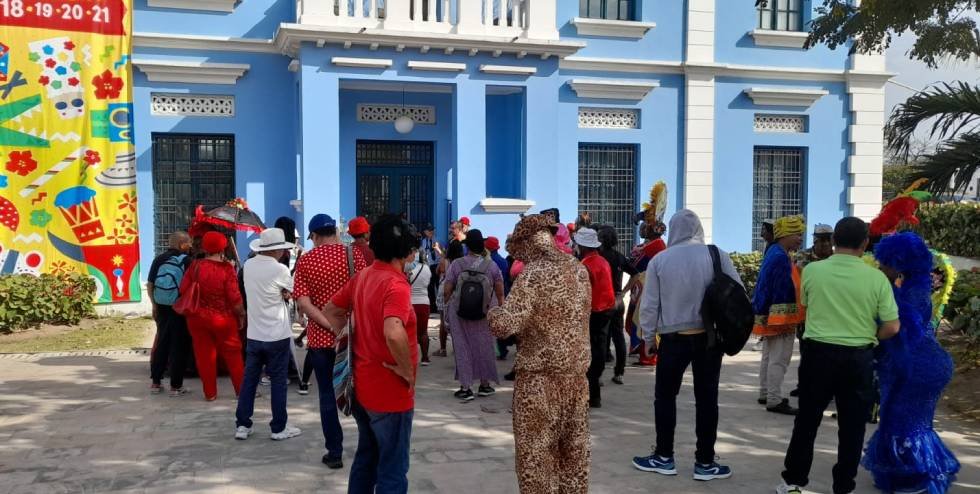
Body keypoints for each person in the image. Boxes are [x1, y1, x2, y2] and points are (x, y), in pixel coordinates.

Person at [777, 217, 901, 494]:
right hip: (859, 358)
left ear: (833, 242)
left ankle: (793, 482)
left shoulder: (812, 271)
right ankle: (843, 486)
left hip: (817, 355)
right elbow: (892, 326)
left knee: (807, 421)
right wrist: (869, 335)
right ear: (865, 243)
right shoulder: (877, 278)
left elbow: (806, 307)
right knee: (853, 426)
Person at [632, 209, 741, 482]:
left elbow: (650, 305)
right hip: (710, 339)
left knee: (665, 397)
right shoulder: (717, 255)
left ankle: (664, 457)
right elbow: (737, 293)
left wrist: (647, 340)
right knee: (707, 400)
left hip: (672, 339)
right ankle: (705, 462)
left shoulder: (660, 260)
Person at [488, 214, 592, 494]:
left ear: (528, 243)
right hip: (577, 379)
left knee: (536, 459)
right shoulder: (579, 269)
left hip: (540, 382)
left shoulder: (533, 275)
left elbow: (505, 325)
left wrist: (493, 311)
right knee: (574, 457)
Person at [322, 214, 420, 494]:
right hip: (390, 392)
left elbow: (331, 311)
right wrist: (405, 368)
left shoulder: (363, 276)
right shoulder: (397, 285)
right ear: (407, 252)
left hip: (362, 385)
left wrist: (351, 337)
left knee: (367, 456)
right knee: (393, 467)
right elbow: (393, 331)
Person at [862, 232, 960, 493]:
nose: (880, 266)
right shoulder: (913, 286)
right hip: (920, 363)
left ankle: (917, 478)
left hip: (918, 367)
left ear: (898, 261)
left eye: (884, 262)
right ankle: (907, 476)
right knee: (906, 421)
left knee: (904, 422)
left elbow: (901, 328)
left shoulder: (911, 292)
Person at [293, 214, 367, 468]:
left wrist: (328, 325)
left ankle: (334, 453)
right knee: (360, 392)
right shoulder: (352, 255)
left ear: (313, 236)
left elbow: (303, 303)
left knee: (326, 395)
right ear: (335, 230)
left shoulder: (306, 261)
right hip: (352, 335)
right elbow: (362, 294)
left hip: (321, 340)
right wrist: (343, 328)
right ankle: (368, 446)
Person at [235, 228, 302, 441]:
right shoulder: (280, 269)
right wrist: (284, 293)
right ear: (278, 250)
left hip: (254, 334)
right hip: (277, 334)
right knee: (278, 382)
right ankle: (278, 427)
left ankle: (243, 425)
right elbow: (292, 293)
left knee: (249, 381)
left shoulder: (248, 266)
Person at [179, 231, 246, 401]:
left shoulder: (194, 266)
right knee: (233, 354)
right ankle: (241, 391)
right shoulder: (227, 268)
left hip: (197, 318)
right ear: (223, 247)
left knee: (204, 355)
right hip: (222, 318)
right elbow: (234, 297)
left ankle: (210, 393)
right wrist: (242, 314)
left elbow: (183, 289)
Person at [443, 230, 505, 401]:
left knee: (463, 348)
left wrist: (447, 308)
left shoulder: (457, 264)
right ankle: (485, 385)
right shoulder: (491, 266)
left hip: (460, 312)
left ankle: (466, 387)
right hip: (485, 313)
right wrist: (501, 309)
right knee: (485, 346)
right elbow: (500, 292)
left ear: (467, 246)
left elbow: (447, 290)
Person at [753, 215, 806, 415]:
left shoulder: (775, 252)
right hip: (779, 317)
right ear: (785, 234)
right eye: (797, 234)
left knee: (769, 355)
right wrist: (785, 320)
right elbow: (782, 290)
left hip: (768, 314)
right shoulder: (780, 257)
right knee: (779, 358)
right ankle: (774, 399)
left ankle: (766, 392)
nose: (800, 239)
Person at [148, 231, 193, 396]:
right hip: (179, 308)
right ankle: (176, 386)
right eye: (188, 242)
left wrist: (154, 305)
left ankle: (155, 383)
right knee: (179, 346)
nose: (191, 245)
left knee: (162, 342)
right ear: (181, 244)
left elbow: (150, 283)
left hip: (162, 306)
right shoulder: (187, 261)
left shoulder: (158, 259)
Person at [574, 227, 616, 408]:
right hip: (607, 308)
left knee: (587, 352)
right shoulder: (602, 261)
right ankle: (594, 388)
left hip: (592, 311)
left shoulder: (585, 265)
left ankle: (592, 392)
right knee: (599, 348)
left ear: (582, 246)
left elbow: (581, 293)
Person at [597, 225, 639, 385]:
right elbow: (635, 273)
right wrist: (623, 292)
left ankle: (598, 374)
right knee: (619, 337)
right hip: (617, 300)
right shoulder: (619, 257)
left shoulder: (598, 257)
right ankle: (619, 372)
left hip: (602, 301)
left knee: (600, 339)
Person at [626, 221, 667, 366]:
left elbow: (636, 264)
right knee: (640, 319)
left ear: (651, 231)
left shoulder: (654, 246)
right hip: (644, 284)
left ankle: (647, 356)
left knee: (643, 319)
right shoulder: (657, 244)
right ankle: (643, 352)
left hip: (647, 285)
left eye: (645, 228)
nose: (642, 231)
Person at [434, 239, 464, 357]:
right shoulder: (462, 262)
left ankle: (443, 349)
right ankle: (458, 349)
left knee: (443, 322)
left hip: (444, 290)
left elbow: (438, 271)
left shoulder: (445, 261)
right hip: (458, 291)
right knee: (458, 322)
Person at [486, 236, 514, 359]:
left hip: (492, 295)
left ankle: (498, 350)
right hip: (504, 293)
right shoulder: (503, 261)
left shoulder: (488, 262)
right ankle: (502, 349)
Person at [406, 248, 433, 366]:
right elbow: (428, 283)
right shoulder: (427, 269)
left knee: (408, 332)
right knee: (423, 332)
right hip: (424, 303)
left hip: (410, 303)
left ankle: (409, 359)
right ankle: (425, 358)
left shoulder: (408, 269)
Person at [419, 223, 442, 311]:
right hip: (428, 265)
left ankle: (440, 306)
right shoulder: (424, 241)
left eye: (432, 230)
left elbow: (443, 253)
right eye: (429, 230)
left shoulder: (438, 240)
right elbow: (423, 253)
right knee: (430, 286)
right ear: (425, 232)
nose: (431, 232)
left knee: (438, 285)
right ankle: (432, 307)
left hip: (437, 265)